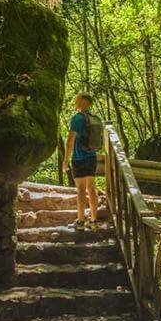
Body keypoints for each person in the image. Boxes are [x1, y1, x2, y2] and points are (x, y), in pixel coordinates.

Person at [64, 92, 102, 228]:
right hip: (92, 156)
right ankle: (93, 220)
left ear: (84, 101)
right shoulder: (95, 118)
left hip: (79, 158)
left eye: (77, 99)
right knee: (91, 188)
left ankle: (80, 221)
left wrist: (65, 160)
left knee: (80, 189)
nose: (75, 101)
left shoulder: (77, 119)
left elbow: (69, 141)